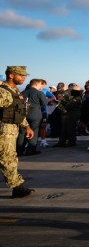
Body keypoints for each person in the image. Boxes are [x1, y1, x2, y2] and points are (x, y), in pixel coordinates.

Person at [0, 66, 35, 198]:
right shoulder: (3, 92)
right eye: (20, 75)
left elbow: (18, 112)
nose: (23, 78)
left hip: (11, 129)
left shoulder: (14, 91)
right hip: (4, 129)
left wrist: (27, 127)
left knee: (8, 158)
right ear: (11, 75)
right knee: (8, 159)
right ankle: (17, 187)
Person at [19, 78, 48, 155]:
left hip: (23, 114)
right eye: (39, 84)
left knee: (22, 132)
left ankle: (19, 150)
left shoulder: (22, 93)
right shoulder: (39, 93)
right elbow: (44, 103)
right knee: (34, 131)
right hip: (35, 113)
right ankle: (31, 150)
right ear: (36, 84)